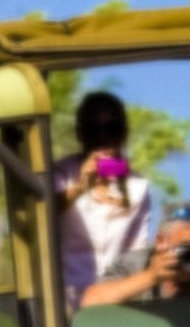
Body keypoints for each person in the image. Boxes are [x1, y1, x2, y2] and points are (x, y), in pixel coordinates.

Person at [53, 91, 156, 301]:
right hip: (66, 301)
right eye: (93, 130)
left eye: (111, 129)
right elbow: (45, 211)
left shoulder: (138, 185)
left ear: (123, 134)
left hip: (114, 301)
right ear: (80, 135)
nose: (102, 138)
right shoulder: (60, 174)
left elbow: (136, 250)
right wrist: (82, 186)